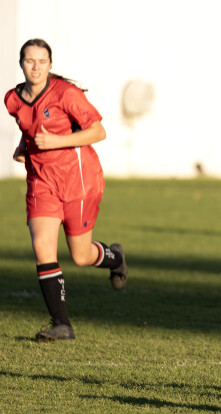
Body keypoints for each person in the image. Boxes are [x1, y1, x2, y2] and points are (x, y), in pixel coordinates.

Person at [4, 39, 128, 342]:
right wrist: (24, 147)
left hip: (78, 180)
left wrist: (55, 142)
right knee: (42, 246)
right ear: (21, 64)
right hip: (41, 182)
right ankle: (62, 324)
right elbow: (29, 126)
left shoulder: (66, 94)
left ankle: (114, 258)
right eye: (29, 61)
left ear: (50, 64)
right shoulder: (12, 99)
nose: (35, 67)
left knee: (81, 255)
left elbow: (98, 131)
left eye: (41, 61)